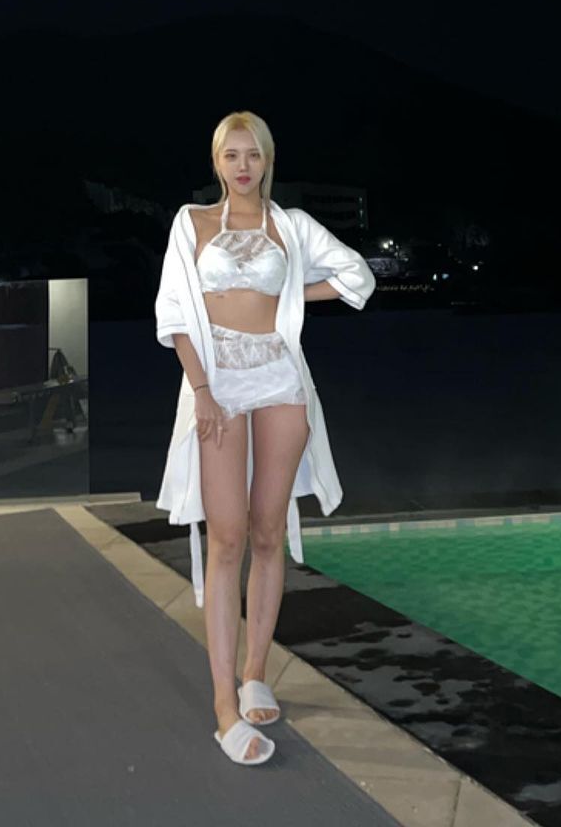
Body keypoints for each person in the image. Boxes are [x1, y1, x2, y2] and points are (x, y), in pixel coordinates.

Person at [153, 111, 376, 766]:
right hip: (218, 382)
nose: (243, 166)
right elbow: (174, 311)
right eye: (232, 155)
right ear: (217, 162)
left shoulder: (292, 226)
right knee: (226, 538)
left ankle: (255, 674)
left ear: (268, 160)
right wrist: (200, 389)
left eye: (253, 154)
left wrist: (291, 300)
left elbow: (357, 274)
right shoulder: (191, 222)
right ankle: (224, 707)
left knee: (268, 532)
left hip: (280, 379)